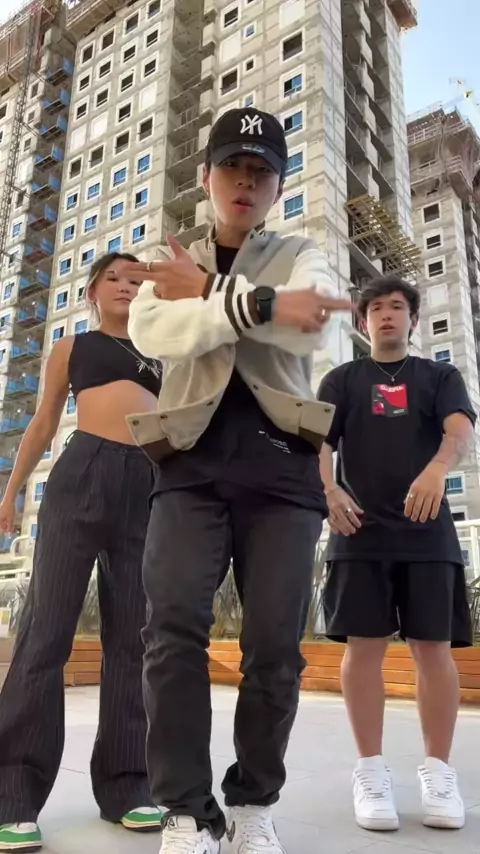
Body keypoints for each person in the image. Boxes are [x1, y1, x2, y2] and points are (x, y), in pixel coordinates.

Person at [122, 106, 353, 854]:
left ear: (280, 185)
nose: (245, 182)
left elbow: (317, 325)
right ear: (206, 177)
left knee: (276, 644)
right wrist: (257, 304)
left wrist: (211, 296)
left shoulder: (301, 253)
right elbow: (154, 332)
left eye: (261, 171)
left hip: (282, 467)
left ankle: (253, 800)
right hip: (188, 465)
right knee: (172, 630)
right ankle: (188, 811)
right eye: (232, 167)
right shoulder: (170, 258)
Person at [0, 253, 164, 852]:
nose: (125, 286)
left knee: (134, 638)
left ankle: (127, 786)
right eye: (113, 278)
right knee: (46, 632)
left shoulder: (163, 354)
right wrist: (12, 492)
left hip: (148, 483)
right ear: (92, 291)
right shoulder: (73, 348)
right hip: (83, 472)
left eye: (136, 280)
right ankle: (13, 795)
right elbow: (44, 421)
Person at [317, 274, 475, 833]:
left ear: (412, 319)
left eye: (397, 307)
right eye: (376, 308)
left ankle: (439, 774)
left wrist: (437, 469)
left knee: (434, 650)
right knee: (364, 650)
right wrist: (329, 491)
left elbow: (459, 429)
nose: (386, 314)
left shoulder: (440, 376)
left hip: (428, 532)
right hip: (359, 531)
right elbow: (318, 443)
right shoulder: (342, 380)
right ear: (363, 323)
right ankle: (371, 772)